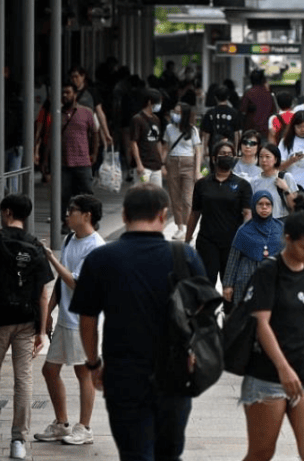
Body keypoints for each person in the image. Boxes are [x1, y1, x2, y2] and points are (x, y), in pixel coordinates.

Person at [69, 183, 206, 460]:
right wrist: (194, 354)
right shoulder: (184, 256)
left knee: (134, 453)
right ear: (163, 215)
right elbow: (202, 312)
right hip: (175, 371)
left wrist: (94, 363)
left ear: (123, 215)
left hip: (123, 373)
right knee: (169, 453)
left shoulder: (102, 258)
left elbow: (87, 318)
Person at [240, 194, 304, 461]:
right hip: (268, 374)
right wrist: (283, 368)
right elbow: (260, 322)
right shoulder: (269, 271)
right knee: (261, 452)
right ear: (288, 239)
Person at [35, 195, 104, 446]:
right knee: (49, 370)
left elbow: (75, 282)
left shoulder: (95, 246)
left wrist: (50, 257)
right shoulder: (70, 239)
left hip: (82, 320)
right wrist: (49, 314)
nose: (67, 215)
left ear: (86, 215)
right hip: (65, 318)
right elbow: (61, 285)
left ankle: (84, 428)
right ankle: (62, 424)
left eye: (71, 211)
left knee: (82, 373)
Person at [0, 194, 53, 459]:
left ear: (7, 212)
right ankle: (18, 441)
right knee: (23, 381)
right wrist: (42, 331)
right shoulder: (35, 246)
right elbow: (43, 294)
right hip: (25, 322)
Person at [185, 140, 253, 285]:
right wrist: (187, 239)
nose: (226, 156)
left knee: (230, 286)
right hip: (207, 242)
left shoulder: (243, 185)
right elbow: (195, 213)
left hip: (233, 243)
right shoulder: (202, 184)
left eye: (230, 154)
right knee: (205, 285)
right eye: (222, 154)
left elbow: (247, 213)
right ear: (214, 158)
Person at [223, 190, 284, 310]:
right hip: (247, 278)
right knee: (247, 317)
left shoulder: (280, 228)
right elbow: (233, 259)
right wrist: (228, 285)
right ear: (254, 206)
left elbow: (290, 255)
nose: (264, 207)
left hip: (275, 278)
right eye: (260, 204)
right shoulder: (244, 231)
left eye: (268, 204)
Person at [60, 82, 98, 235]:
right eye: (63, 93)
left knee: (87, 193)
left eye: (68, 92)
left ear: (75, 94)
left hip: (83, 161)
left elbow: (95, 133)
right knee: (64, 195)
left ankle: (92, 221)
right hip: (63, 163)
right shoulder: (57, 113)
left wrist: (94, 153)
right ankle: (66, 223)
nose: (64, 95)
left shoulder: (87, 112)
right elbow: (49, 138)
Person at [163, 102, 202, 240]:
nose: (175, 115)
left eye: (178, 112)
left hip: (188, 163)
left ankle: (189, 226)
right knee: (174, 197)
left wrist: (197, 170)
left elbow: (198, 150)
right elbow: (166, 148)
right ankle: (180, 227)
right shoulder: (169, 128)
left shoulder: (192, 130)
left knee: (187, 198)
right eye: (175, 112)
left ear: (184, 115)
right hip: (172, 162)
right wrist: (163, 164)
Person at [250, 143, 299, 220]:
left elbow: (295, 206)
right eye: (261, 157)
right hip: (261, 222)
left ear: (275, 159)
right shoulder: (254, 181)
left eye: (267, 157)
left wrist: (286, 189)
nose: (264, 160)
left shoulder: (286, 177)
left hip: (281, 221)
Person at [130, 87, 164, 186]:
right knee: (142, 193)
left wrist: (161, 162)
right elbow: (133, 142)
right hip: (144, 165)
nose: (159, 105)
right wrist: (139, 164)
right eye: (158, 102)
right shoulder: (137, 119)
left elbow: (158, 142)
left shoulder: (156, 119)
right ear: (149, 102)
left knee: (157, 194)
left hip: (156, 165)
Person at [201, 84, 242, 157]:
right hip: (229, 148)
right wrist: (236, 150)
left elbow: (206, 133)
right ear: (228, 96)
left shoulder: (210, 113)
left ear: (215, 97)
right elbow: (236, 133)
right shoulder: (234, 113)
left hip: (213, 149)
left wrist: (204, 149)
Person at [240, 69, 274, 138]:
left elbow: (242, 112)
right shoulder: (268, 95)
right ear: (263, 80)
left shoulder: (248, 94)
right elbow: (273, 112)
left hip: (250, 131)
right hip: (265, 130)